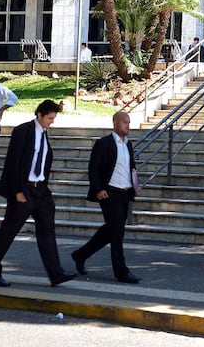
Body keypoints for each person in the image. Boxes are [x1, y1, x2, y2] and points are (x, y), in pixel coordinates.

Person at [0, 100, 76, 287]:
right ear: (40, 115)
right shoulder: (23, 131)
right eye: (50, 118)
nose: (52, 121)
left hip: (40, 190)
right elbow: (13, 163)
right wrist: (17, 191)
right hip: (23, 190)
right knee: (8, 232)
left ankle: (56, 273)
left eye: (54, 118)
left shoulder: (43, 133)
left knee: (47, 231)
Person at [71, 112, 142, 284]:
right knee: (117, 233)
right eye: (124, 122)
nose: (128, 126)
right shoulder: (104, 143)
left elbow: (131, 168)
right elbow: (94, 168)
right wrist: (98, 188)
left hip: (124, 192)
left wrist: (135, 186)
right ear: (115, 123)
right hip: (109, 193)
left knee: (111, 230)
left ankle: (80, 255)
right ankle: (121, 271)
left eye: (129, 122)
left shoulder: (128, 144)